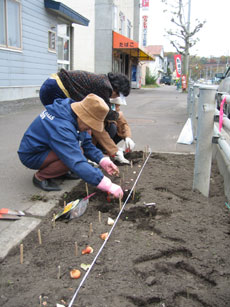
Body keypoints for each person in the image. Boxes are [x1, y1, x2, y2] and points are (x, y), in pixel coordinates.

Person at [18, 94, 123, 199]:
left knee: (78, 151)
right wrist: (107, 184)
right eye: (90, 125)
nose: (89, 128)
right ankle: (40, 177)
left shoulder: (73, 115)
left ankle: (62, 171)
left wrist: (102, 160)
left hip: (48, 148)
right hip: (32, 155)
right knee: (73, 157)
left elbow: (86, 143)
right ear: (83, 116)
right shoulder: (61, 126)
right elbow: (74, 159)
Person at [39, 69, 131, 163]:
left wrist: (127, 136)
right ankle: (66, 159)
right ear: (116, 89)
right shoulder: (105, 87)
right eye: (118, 96)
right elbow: (104, 117)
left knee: (83, 124)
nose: (115, 98)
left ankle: (75, 156)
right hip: (55, 89)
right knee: (68, 125)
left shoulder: (103, 82)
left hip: (54, 84)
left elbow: (114, 114)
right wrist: (114, 151)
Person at [93, 96, 135, 162]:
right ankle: (98, 151)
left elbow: (123, 124)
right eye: (116, 106)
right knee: (112, 127)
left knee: (120, 131)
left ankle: (105, 150)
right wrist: (114, 150)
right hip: (94, 140)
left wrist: (127, 137)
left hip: (105, 138)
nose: (118, 108)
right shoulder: (100, 112)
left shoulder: (115, 110)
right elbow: (102, 134)